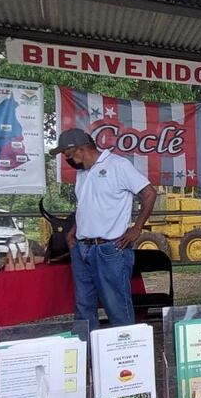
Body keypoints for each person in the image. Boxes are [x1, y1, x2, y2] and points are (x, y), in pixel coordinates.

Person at [51, 128, 157, 330]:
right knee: (83, 306)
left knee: (116, 306)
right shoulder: (82, 173)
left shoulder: (118, 165)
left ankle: (125, 356)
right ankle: (86, 355)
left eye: (68, 155)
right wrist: (74, 229)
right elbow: (87, 205)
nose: (67, 160)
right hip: (82, 248)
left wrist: (137, 229)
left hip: (110, 249)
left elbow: (149, 193)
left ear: (81, 149)